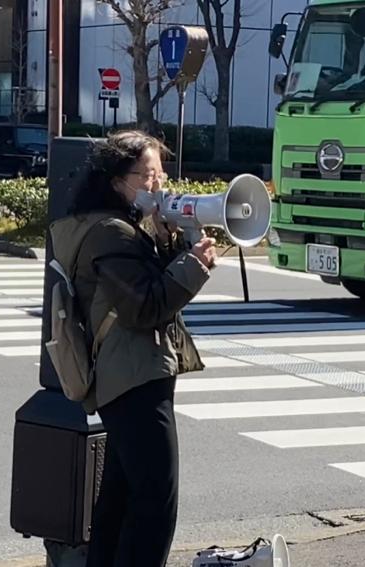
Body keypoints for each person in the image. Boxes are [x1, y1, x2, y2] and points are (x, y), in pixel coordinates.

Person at [50, 131, 217, 567]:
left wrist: (172, 241)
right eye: (147, 175)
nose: (157, 186)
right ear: (115, 179)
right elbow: (144, 306)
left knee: (121, 495)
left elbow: (146, 291)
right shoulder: (110, 233)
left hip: (131, 374)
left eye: (160, 174)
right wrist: (194, 265)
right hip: (133, 379)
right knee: (155, 501)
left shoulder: (120, 228)